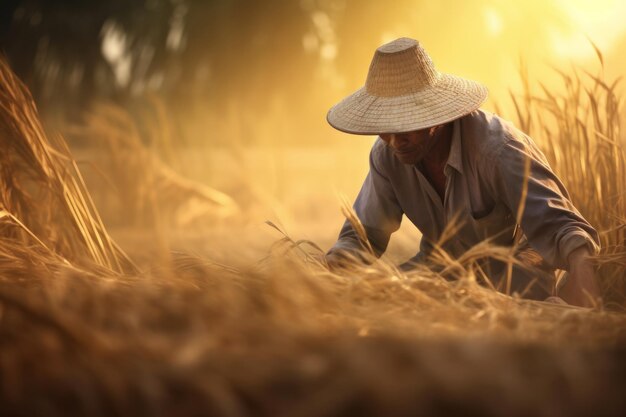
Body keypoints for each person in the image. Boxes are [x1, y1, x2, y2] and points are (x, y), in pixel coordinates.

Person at [324, 37, 600, 307]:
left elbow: (563, 226)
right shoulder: (388, 156)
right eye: (385, 127)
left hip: (512, 275)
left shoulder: (499, 150)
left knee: (511, 312)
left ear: (435, 115)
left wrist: (584, 285)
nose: (395, 141)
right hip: (439, 270)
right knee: (383, 300)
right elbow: (362, 237)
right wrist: (328, 275)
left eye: (405, 125)